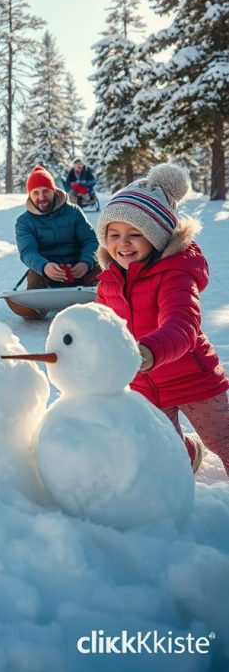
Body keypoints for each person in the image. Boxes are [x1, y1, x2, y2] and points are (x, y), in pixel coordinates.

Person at [96, 162, 229, 476]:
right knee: (162, 452)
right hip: (143, 383)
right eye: (113, 234)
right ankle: (187, 454)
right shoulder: (108, 282)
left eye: (135, 234)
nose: (123, 243)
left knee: (222, 437)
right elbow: (100, 325)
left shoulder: (175, 274)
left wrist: (150, 351)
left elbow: (183, 324)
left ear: (156, 237)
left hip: (193, 378)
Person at [14, 165, 100, 318]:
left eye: (45, 190)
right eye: (35, 192)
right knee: (34, 273)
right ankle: (35, 306)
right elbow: (27, 252)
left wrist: (85, 262)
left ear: (53, 190)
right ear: (29, 195)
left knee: (102, 267)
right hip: (47, 273)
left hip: (79, 270)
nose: (41, 197)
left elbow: (90, 241)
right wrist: (44, 266)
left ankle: (102, 297)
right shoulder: (24, 222)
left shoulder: (73, 212)